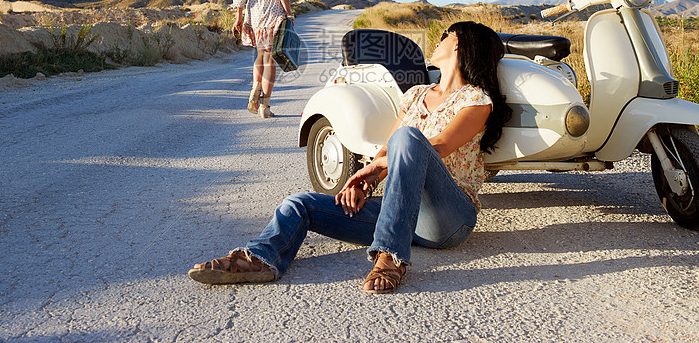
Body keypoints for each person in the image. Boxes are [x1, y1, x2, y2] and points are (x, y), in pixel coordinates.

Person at [188, 21, 511, 293]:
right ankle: (259, 259)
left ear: (458, 45)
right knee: (299, 203)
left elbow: (438, 146)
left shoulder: (475, 99)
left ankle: (390, 257)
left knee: (409, 137)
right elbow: (387, 149)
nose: (437, 41)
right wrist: (367, 180)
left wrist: (371, 167)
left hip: (447, 219)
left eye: (445, 36)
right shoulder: (416, 95)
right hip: (399, 215)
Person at [230, 0, 293, 119]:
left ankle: (254, 89)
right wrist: (289, 14)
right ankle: (265, 106)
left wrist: (238, 18)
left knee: (260, 54)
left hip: (254, 10)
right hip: (273, 9)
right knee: (270, 58)